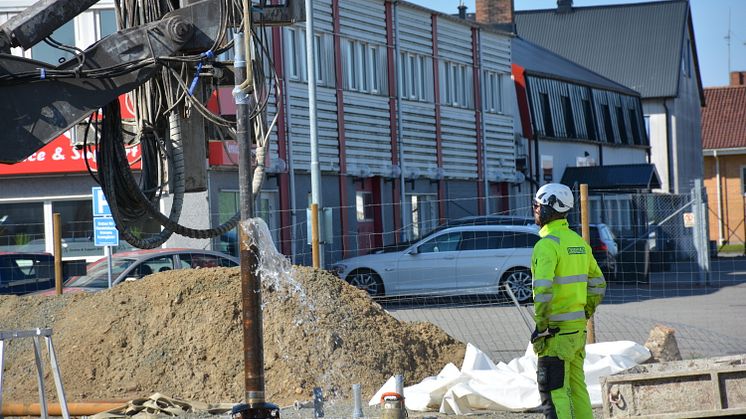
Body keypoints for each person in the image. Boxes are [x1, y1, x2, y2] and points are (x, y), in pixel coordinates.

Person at [530, 183, 606, 419]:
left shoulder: (546, 245)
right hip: (576, 332)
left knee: (554, 392)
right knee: (577, 389)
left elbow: (542, 292)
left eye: (537, 206)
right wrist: (584, 313)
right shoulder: (578, 242)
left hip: (554, 334)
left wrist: (541, 328)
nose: (534, 210)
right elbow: (598, 284)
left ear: (547, 209)